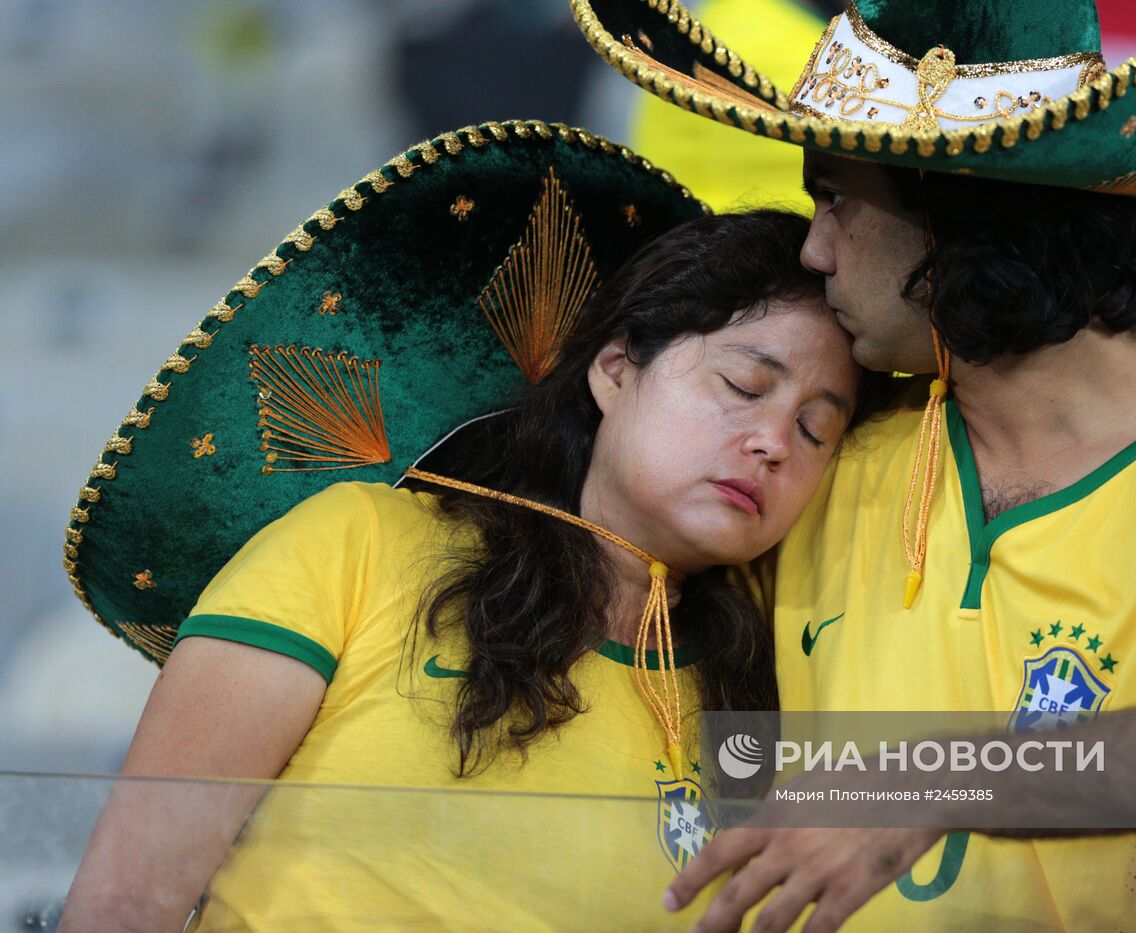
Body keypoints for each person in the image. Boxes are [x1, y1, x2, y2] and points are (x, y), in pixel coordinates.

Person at [573, 0, 1136, 929]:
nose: (812, 249)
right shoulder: (822, 445)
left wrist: (937, 778)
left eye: (834, 200)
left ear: (960, 217)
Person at [60, 191, 884, 928]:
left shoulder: (784, 677)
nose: (774, 441)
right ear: (615, 370)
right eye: (745, 384)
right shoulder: (363, 543)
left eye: (817, 429)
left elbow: (1000, 788)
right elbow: (127, 902)